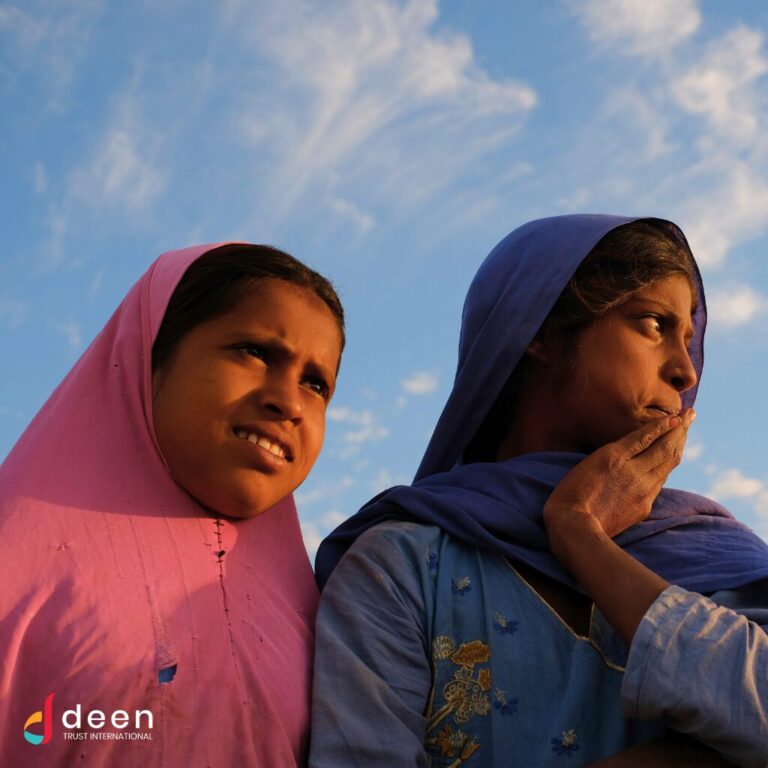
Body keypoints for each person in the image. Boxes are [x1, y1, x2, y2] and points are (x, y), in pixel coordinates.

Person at [310, 215, 768, 768]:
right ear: (540, 334)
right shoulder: (403, 566)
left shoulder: (714, 555)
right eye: (651, 323)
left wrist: (580, 534)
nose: (683, 371)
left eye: (687, 340)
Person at [0, 243, 344, 766]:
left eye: (316, 383)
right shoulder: (14, 574)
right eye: (253, 351)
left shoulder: (332, 624)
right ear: (150, 358)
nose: (289, 402)